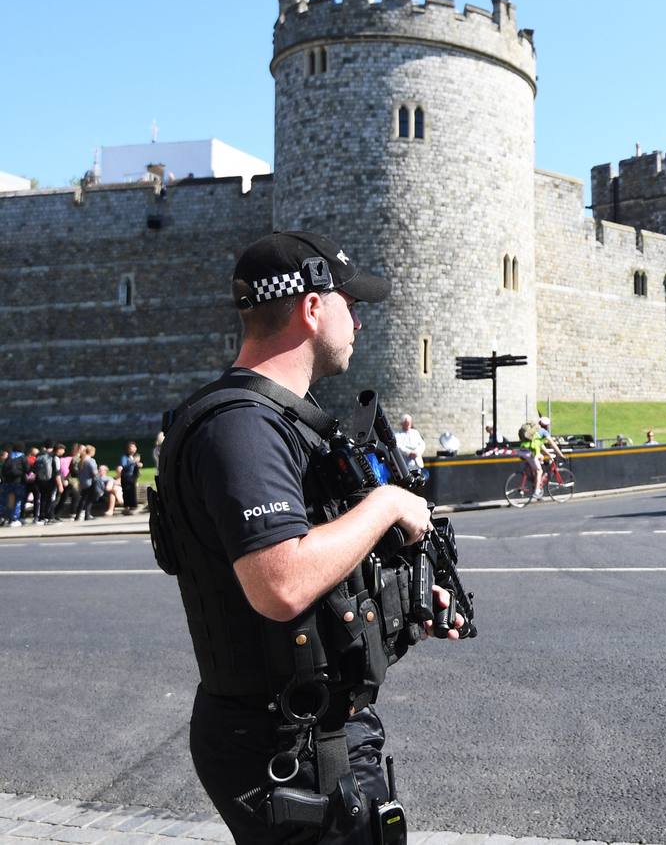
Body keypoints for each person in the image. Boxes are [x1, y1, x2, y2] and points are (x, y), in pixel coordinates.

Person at [150, 230, 464, 844]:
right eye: (352, 304)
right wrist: (385, 505)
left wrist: (404, 600)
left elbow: (322, 566)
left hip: (318, 729)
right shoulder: (242, 428)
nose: (359, 323)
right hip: (287, 742)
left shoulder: (280, 421)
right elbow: (280, 583)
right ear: (313, 306)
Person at [72, 444, 99, 521]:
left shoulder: (81, 461)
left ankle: (77, 515)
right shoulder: (91, 460)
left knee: (83, 499)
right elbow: (94, 472)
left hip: (82, 482)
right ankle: (87, 515)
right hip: (90, 482)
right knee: (89, 500)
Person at [118, 441, 143, 516]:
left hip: (133, 477)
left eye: (134, 447)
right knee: (126, 492)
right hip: (126, 477)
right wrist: (133, 462)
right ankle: (127, 507)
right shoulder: (124, 457)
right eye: (131, 447)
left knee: (132, 492)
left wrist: (138, 465)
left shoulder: (135, 456)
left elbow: (135, 466)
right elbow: (123, 465)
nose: (133, 449)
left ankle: (133, 507)